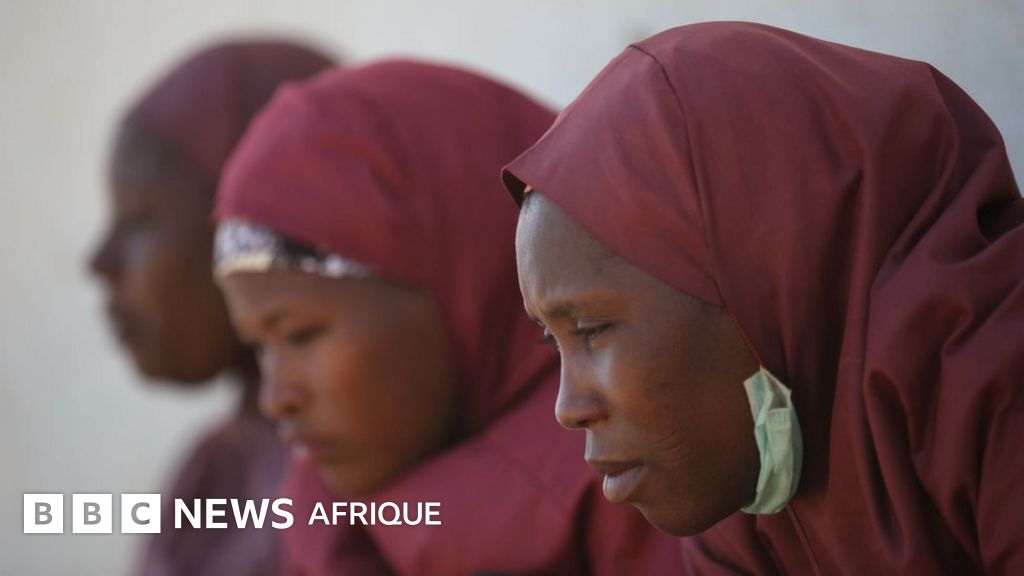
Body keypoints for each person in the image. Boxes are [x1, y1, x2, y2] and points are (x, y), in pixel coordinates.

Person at [506, 22, 1023, 575]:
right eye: (553, 342)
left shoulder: (997, 380)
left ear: (766, 264)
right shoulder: (745, 496)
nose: (568, 409)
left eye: (591, 329)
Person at [213, 59, 683, 575]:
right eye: (258, 346)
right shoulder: (324, 505)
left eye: (301, 334)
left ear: (461, 277)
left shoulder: (646, 472)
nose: (276, 397)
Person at [89, 40, 334, 576]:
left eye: (140, 216)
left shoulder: (380, 477)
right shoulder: (212, 478)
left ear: (268, 220)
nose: (98, 261)